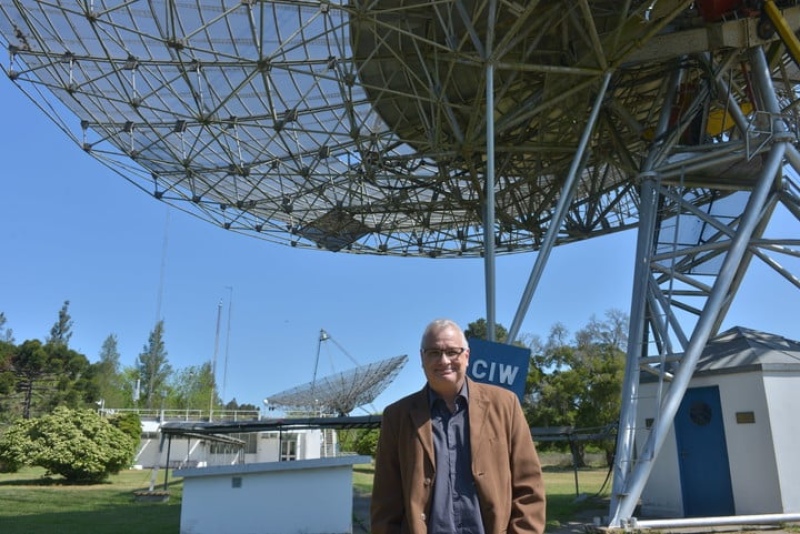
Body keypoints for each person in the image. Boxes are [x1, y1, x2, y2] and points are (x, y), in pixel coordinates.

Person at [371, 318, 546, 534]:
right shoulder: (397, 416)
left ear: (467, 356)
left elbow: (529, 487)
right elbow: (385, 501)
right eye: (433, 352)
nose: (443, 361)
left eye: (452, 351)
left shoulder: (505, 405)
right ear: (422, 358)